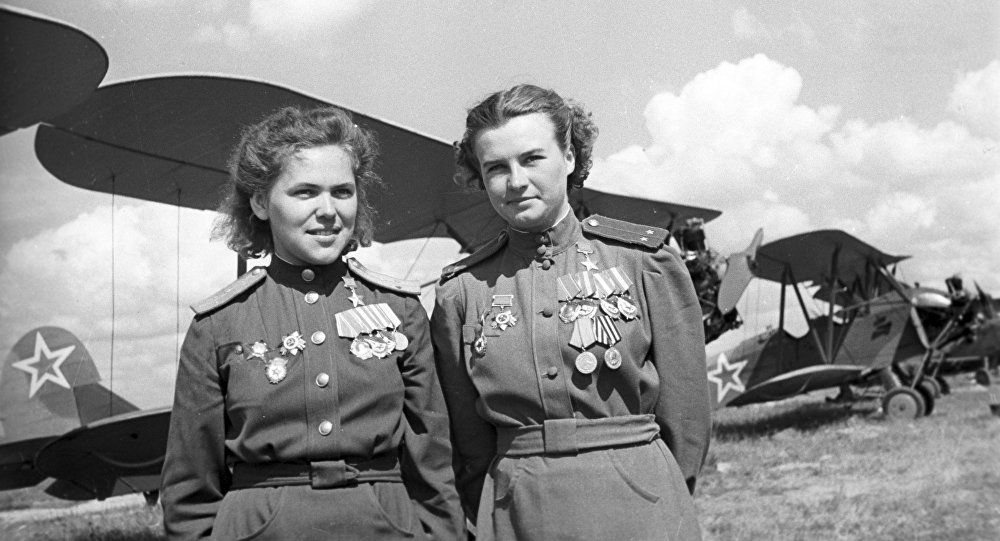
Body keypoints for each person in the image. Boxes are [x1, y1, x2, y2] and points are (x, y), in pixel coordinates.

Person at [161, 106, 464, 540]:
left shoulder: (401, 310)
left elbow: (434, 462)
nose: (328, 211)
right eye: (305, 192)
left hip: (385, 524)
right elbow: (189, 488)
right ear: (261, 203)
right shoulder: (217, 326)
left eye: (342, 192)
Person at [432, 84, 711, 540]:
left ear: (571, 157)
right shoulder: (461, 292)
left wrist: (662, 495)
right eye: (496, 168)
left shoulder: (644, 262)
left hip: (641, 504)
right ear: (480, 179)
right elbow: (469, 440)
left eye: (533, 158)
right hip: (519, 511)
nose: (516, 181)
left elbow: (687, 419)